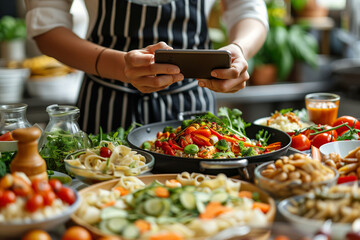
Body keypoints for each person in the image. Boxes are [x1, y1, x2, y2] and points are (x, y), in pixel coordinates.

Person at [25, 0, 268, 134]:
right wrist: (120, 66)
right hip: (106, 102)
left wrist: (239, 49)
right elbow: (46, 23)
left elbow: (247, 9)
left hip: (192, 104)